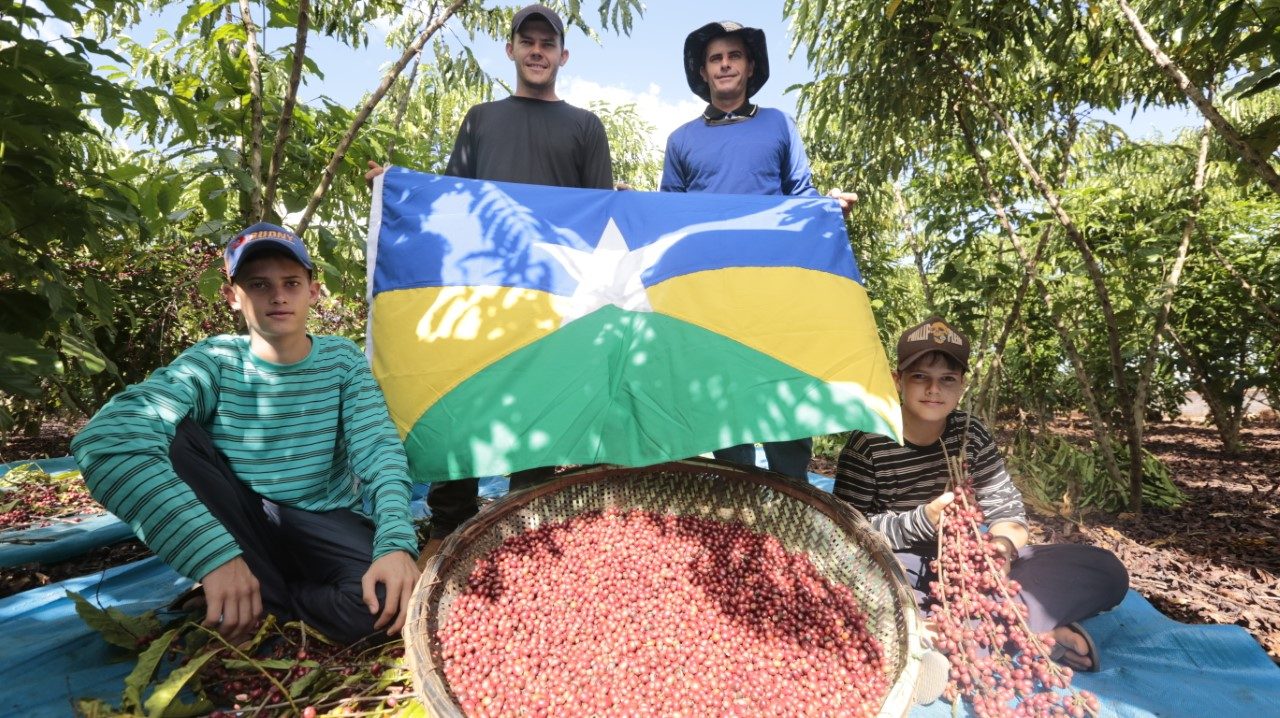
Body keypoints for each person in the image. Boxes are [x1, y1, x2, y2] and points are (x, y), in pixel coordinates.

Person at [70, 223, 420, 644]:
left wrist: (395, 543)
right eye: (258, 284)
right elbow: (106, 438)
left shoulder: (342, 361)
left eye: (291, 283)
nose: (278, 296)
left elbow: (379, 451)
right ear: (232, 296)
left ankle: (267, 600)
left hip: (322, 517)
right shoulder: (215, 361)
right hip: (242, 520)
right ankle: (247, 585)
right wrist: (213, 555)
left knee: (382, 608)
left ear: (312, 291)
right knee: (172, 436)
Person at [366, 4, 614, 552]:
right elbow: (450, 204)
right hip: (483, 288)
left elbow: (600, 215)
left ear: (563, 56)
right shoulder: (481, 119)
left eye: (547, 43)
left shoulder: (585, 127)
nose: (537, 51)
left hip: (551, 295)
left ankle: (527, 522)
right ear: (510, 50)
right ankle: (447, 525)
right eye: (528, 41)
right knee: (464, 397)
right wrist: (398, 188)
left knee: (536, 403)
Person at [834, 316, 1129, 671]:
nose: (934, 389)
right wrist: (922, 522)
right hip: (900, 566)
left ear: (962, 385)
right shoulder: (869, 443)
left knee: (1105, 569)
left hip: (970, 566)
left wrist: (1001, 548)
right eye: (920, 377)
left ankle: (960, 638)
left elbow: (1009, 512)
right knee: (856, 595)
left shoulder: (970, 435)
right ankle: (1014, 631)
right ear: (898, 380)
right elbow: (845, 533)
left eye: (947, 379)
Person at [661, 20, 856, 480]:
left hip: (773, 292)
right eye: (715, 58)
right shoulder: (681, 140)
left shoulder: (779, 125)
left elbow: (801, 195)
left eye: (734, 56)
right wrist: (632, 209)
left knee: (784, 396)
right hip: (711, 297)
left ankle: (794, 498)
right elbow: (668, 215)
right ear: (703, 72)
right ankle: (739, 502)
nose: (725, 64)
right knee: (724, 408)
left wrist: (828, 207)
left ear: (750, 66)